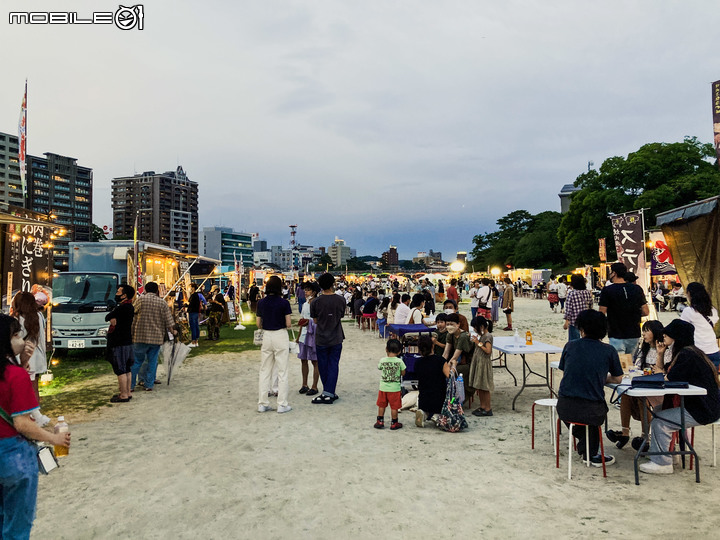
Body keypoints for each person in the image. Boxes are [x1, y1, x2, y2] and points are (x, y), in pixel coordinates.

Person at [0, 314, 71, 540]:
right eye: (16, 334)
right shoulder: (15, 376)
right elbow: (22, 423)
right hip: (13, 456)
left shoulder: (15, 370)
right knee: (18, 524)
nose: (21, 339)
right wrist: (54, 439)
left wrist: (22, 363)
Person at [640, 320, 720, 474]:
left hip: (702, 410)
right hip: (703, 406)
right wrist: (660, 354)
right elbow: (665, 373)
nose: (663, 335)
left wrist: (661, 373)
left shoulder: (687, 355)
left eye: (667, 333)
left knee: (660, 420)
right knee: (659, 410)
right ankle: (668, 455)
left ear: (676, 336)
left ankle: (662, 463)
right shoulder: (690, 352)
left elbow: (668, 379)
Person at [557, 309, 623, 466]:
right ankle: (590, 453)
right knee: (592, 419)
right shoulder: (608, 350)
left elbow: (566, 369)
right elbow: (618, 378)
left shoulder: (570, 346)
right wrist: (601, 378)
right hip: (592, 410)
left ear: (581, 329)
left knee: (581, 422)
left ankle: (585, 448)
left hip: (565, 407)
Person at [606, 320, 672, 449]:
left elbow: (664, 371)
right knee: (625, 394)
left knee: (643, 398)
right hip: (644, 384)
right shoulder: (643, 349)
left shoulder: (666, 350)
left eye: (647, 331)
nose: (644, 334)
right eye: (643, 331)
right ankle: (625, 432)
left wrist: (660, 356)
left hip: (660, 389)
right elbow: (636, 366)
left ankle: (645, 436)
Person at [11, 292, 49, 427]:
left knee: (24, 388)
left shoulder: (17, 319)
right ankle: (37, 415)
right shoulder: (38, 316)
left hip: (23, 358)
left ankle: (30, 416)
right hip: (36, 356)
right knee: (34, 387)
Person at [131, 282, 177, 392]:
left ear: (145, 290)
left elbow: (132, 314)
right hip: (156, 338)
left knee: (136, 361)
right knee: (152, 361)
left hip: (139, 336)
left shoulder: (140, 300)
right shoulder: (162, 303)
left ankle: (131, 385)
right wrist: (173, 332)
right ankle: (149, 384)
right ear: (157, 290)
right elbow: (169, 321)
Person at [256, 276, 293, 413]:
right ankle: (282, 404)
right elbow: (288, 324)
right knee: (282, 371)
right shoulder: (284, 303)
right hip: (280, 334)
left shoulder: (261, 303)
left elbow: (258, 323)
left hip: (266, 335)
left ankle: (262, 403)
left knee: (264, 370)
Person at [310, 273, 347, 404]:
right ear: (333, 284)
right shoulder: (341, 300)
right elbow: (341, 316)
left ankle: (327, 392)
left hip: (321, 337)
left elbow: (315, 320)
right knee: (333, 364)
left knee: (323, 365)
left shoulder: (315, 302)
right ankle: (329, 392)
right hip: (336, 336)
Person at [598, 262, 649, 354]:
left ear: (614, 273)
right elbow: (646, 311)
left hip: (616, 333)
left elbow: (601, 313)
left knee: (619, 363)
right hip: (634, 332)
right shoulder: (637, 289)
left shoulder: (607, 290)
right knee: (632, 364)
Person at [105, 284, 136, 403]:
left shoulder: (122, 308)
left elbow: (108, 316)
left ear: (124, 295)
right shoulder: (129, 307)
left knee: (120, 369)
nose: (116, 294)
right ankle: (127, 392)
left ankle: (123, 394)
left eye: (118, 292)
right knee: (127, 368)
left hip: (119, 342)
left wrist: (112, 317)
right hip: (127, 341)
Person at [680, 282, 720, 370]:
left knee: (697, 382)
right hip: (714, 350)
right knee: (712, 381)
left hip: (697, 352)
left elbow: (682, 329)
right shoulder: (713, 310)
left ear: (689, 294)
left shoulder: (688, 311)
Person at [415, 335, 451, 427]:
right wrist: (453, 366)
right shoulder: (440, 360)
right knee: (438, 408)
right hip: (438, 396)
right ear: (433, 346)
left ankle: (423, 413)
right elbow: (448, 375)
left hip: (423, 397)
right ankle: (436, 416)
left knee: (425, 407)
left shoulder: (418, 363)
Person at [374, 338, 406, 430]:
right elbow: (403, 372)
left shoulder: (383, 360)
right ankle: (394, 422)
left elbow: (379, 367)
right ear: (399, 351)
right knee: (394, 407)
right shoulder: (400, 361)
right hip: (395, 388)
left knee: (381, 405)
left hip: (383, 387)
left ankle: (380, 421)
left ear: (386, 349)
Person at [443, 313, 473, 406]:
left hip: (468, 363)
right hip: (457, 361)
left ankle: (456, 400)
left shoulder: (463, 336)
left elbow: (455, 355)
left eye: (452, 324)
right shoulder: (450, 334)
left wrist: (446, 367)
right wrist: (440, 363)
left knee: (450, 374)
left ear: (458, 324)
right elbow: (446, 352)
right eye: (447, 324)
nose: (449, 326)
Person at [297, 281, 320, 397]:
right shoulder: (305, 304)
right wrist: (298, 337)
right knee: (303, 359)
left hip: (314, 334)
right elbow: (302, 320)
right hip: (304, 334)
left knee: (315, 361)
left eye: (308, 290)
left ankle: (314, 386)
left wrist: (308, 322)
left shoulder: (318, 304)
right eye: (305, 290)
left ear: (314, 292)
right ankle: (304, 384)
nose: (305, 292)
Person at [469, 316, 494, 417]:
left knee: (485, 387)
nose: (475, 329)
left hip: (484, 364)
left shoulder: (488, 336)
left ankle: (488, 408)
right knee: (480, 387)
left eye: (475, 327)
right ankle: (482, 406)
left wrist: (477, 343)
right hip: (479, 362)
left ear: (482, 326)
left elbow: (488, 351)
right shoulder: (483, 336)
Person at [563, 274, 594, 341]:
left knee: (574, 340)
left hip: (574, 321)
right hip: (586, 320)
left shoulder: (571, 294)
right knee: (586, 339)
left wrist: (566, 321)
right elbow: (591, 305)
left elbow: (569, 309)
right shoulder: (587, 292)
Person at [186, 283, 202, 348]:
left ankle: (193, 341)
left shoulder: (194, 295)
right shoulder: (197, 295)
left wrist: (186, 305)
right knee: (196, 326)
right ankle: (196, 341)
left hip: (192, 312)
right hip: (195, 312)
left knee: (193, 326)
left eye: (190, 287)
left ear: (193, 288)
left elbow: (191, 304)